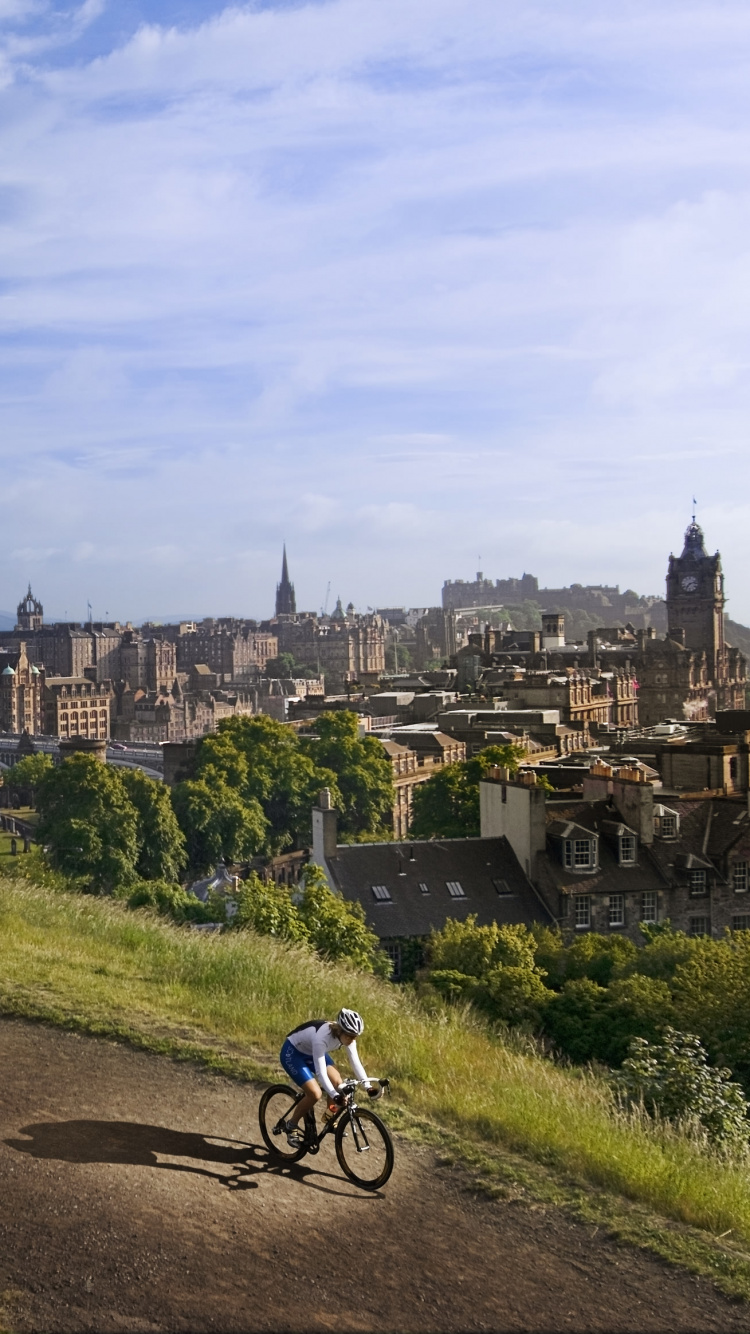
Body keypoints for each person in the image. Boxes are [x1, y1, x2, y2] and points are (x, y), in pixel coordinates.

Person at [279, 1009, 373, 1146]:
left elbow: (355, 1062)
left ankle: (329, 1118)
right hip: (293, 1053)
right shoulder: (322, 1037)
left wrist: (368, 1087)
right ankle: (291, 1125)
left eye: (355, 1036)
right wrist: (335, 1096)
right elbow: (321, 1073)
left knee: (337, 1082)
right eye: (350, 1036)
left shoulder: (347, 1037)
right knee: (315, 1094)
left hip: (311, 1052)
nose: (353, 1040)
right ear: (340, 1030)